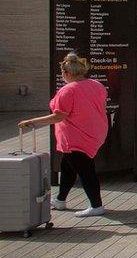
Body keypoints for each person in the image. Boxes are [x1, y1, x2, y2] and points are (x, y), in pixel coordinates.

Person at [20, 52, 108, 218]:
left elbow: (59, 116)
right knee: (67, 167)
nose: (62, 77)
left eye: (62, 74)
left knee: (86, 171)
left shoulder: (68, 91)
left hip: (76, 138)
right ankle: (60, 200)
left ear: (67, 73)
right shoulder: (97, 85)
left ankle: (96, 205)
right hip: (94, 133)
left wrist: (33, 121)